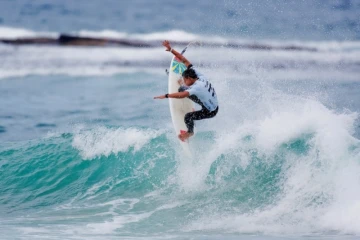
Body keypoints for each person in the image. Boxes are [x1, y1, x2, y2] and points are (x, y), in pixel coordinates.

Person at [154, 40, 219, 141]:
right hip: (210, 101)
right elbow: (184, 60)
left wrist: (166, 95)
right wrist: (171, 49)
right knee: (182, 88)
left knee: (188, 117)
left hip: (210, 111)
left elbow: (183, 95)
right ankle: (186, 91)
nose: (184, 81)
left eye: (185, 80)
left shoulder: (197, 87)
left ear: (189, 78)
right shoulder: (198, 74)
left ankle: (190, 132)